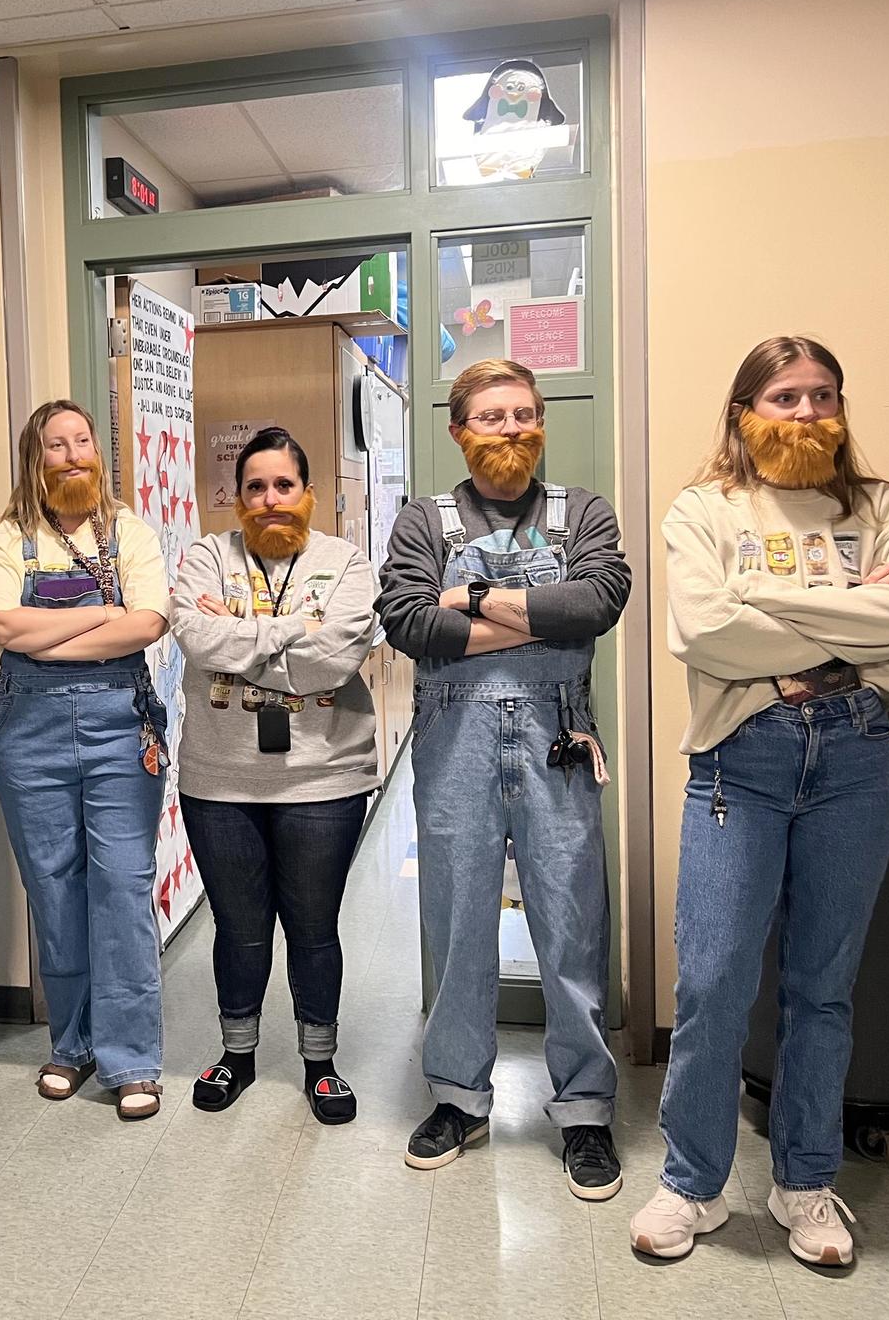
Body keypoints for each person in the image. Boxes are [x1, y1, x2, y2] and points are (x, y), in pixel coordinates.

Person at [630, 337, 889, 1267]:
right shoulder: (704, 508)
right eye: (784, 397)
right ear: (743, 413)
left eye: (822, 396)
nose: (806, 413)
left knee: (822, 986)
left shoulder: (881, 508)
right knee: (715, 981)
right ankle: (691, 1184)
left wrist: (767, 599)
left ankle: (805, 1182)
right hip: (742, 758)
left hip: (856, 758)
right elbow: (707, 633)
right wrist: (850, 607)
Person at [377, 358, 631, 1192]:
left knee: (570, 924)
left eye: (524, 414)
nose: (512, 430)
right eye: (491, 417)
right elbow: (410, 621)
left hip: (559, 737)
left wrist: (475, 601)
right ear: (460, 431)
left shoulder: (582, 513)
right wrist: (535, 622)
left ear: (541, 423)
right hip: (458, 743)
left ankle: (586, 1109)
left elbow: (598, 604)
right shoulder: (425, 519)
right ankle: (458, 1096)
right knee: (456, 927)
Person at [169, 427, 378, 1124]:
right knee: (240, 927)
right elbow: (198, 640)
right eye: (254, 487)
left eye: (283, 485)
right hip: (220, 778)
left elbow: (336, 661)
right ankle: (239, 1055)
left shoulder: (345, 561)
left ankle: (320, 1063)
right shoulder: (205, 555)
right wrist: (294, 630)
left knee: (314, 928)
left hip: (323, 777)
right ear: (237, 498)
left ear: (308, 493)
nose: (269, 500)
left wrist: (245, 638)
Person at [0, 400, 170, 1120]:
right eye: (56, 445)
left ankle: (132, 1058)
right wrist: (101, 617)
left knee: (121, 887)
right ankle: (73, 1042)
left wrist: (44, 636)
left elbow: (148, 624)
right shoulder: (5, 538)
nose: (71, 454)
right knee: (54, 888)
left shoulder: (131, 532)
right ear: (36, 457)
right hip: (27, 732)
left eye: (82, 441)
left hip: (123, 726)